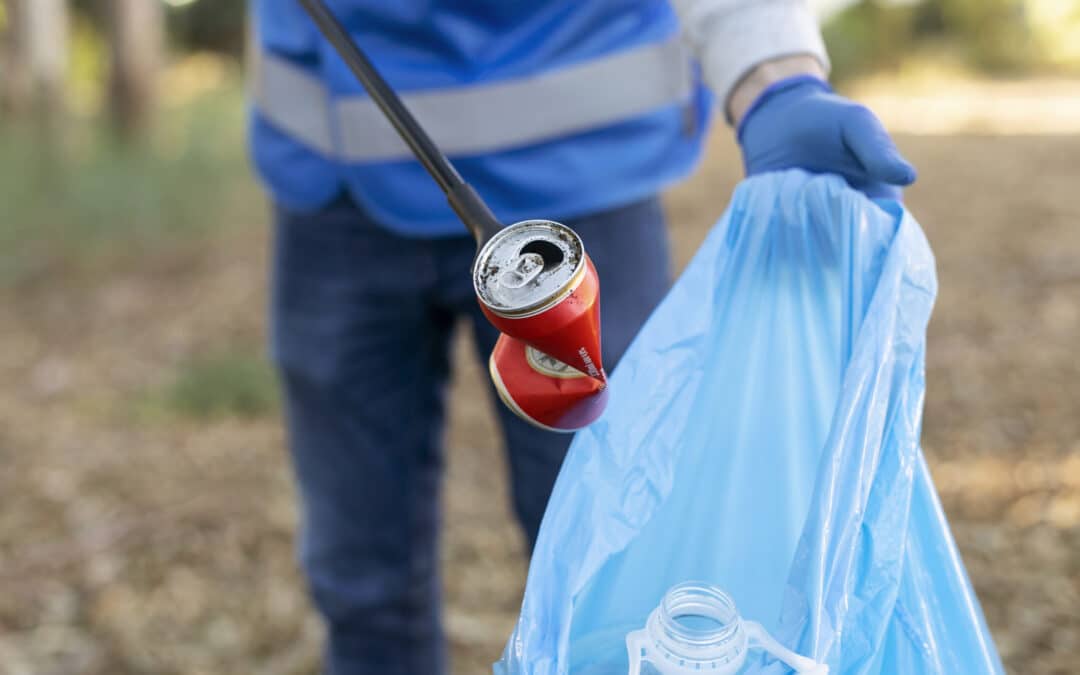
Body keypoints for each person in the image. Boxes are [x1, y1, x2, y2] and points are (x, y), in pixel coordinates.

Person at [248, 1, 916, 672]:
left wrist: (776, 79)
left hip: (580, 182)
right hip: (333, 192)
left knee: (615, 572)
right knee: (361, 580)